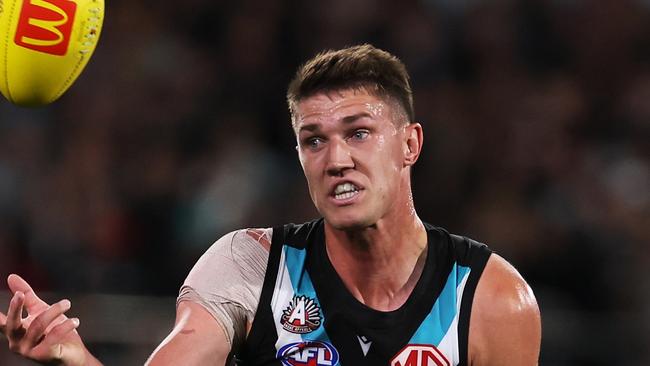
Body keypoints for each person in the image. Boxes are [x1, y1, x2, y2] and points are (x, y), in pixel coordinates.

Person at [0, 44, 541, 365]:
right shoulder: (248, 267)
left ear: (410, 145)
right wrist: (73, 357)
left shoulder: (493, 300)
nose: (336, 160)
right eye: (314, 140)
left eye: (358, 133)